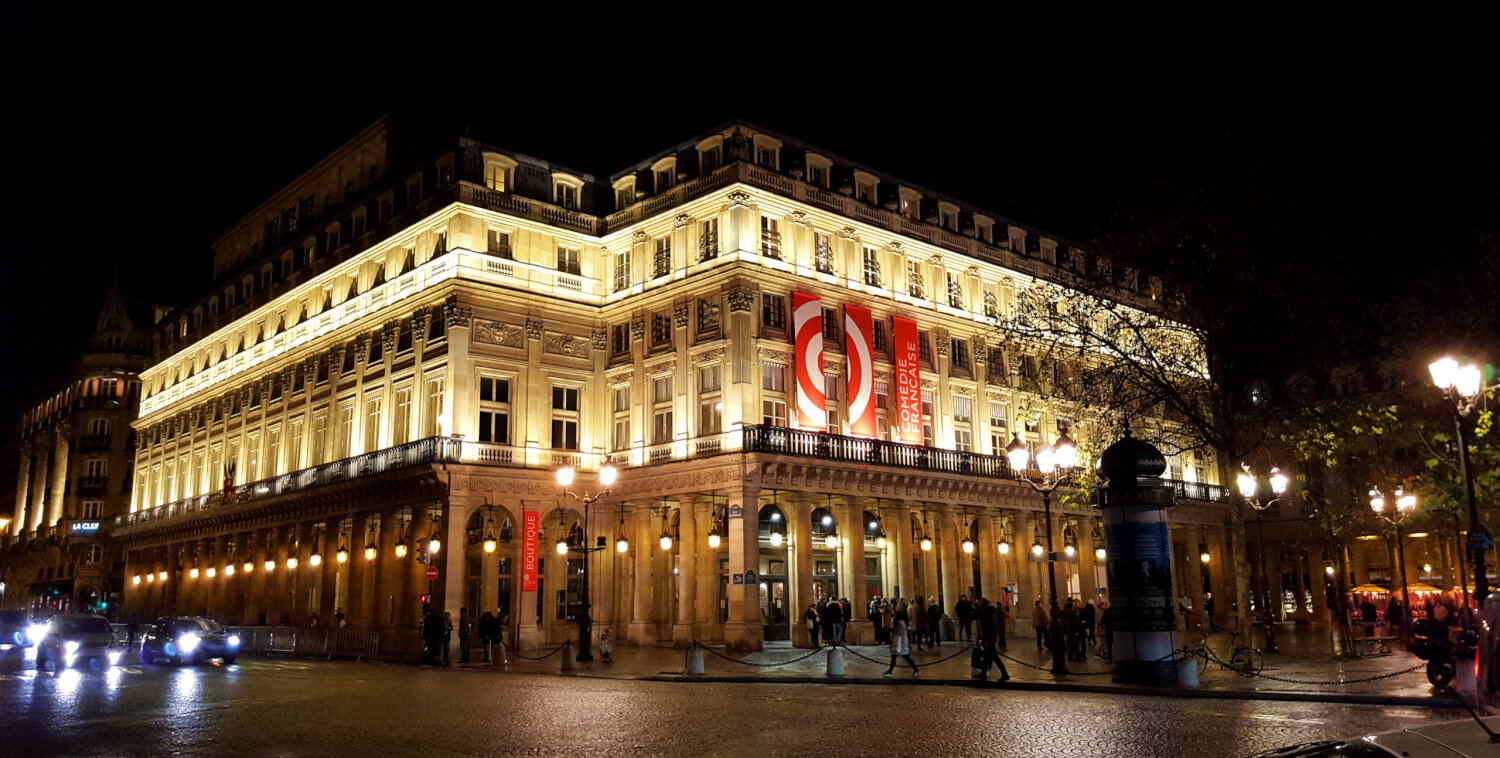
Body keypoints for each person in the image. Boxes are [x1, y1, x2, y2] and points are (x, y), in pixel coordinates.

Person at [975, 598, 1011, 681]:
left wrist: (986, 640)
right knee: (989, 657)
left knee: (994, 657)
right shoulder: (989, 612)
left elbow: (988, 628)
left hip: (989, 639)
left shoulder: (987, 613)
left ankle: (1004, 673)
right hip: (990, 638)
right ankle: (985, 673)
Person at [884, 601, 920, 678]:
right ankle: (890, 671)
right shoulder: (902, 622)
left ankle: (916, 670)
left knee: (903, 657)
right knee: (898, 657)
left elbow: (897, 632)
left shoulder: (899, 623)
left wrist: (890, 630)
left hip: (899, 643)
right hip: (901, 643)